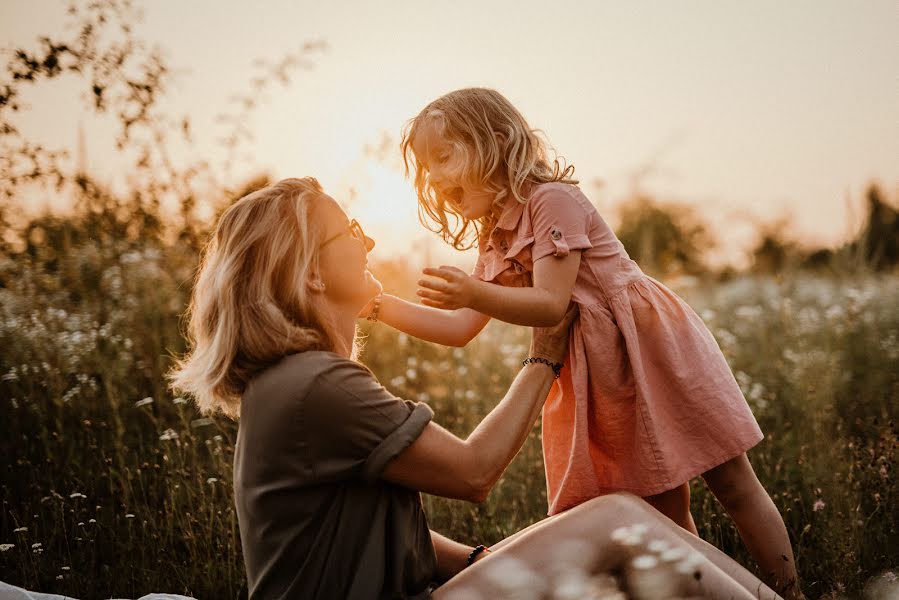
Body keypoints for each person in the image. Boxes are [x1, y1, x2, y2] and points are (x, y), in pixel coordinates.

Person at [168, 177, 782, 600]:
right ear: (308, 271)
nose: (369, 241)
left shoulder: (298, 383)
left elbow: (372, 528)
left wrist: (479, 562)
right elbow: (473, 473)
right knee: (620, 520)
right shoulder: (313, 385)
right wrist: (542, 358)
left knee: (617, 543)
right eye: (347, 231)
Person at [351, 88, 802, 598]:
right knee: (659, 513)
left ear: (496, 143)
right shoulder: (495, 235)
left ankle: (791, 592)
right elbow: (459, 329)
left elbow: (550, 304)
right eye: (426, 165)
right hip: (598, 371)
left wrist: (473, 291)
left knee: (732, 483)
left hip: (650, 350)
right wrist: (373, 304)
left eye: (444, 156)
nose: (432, 175)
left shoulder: (552, 201)